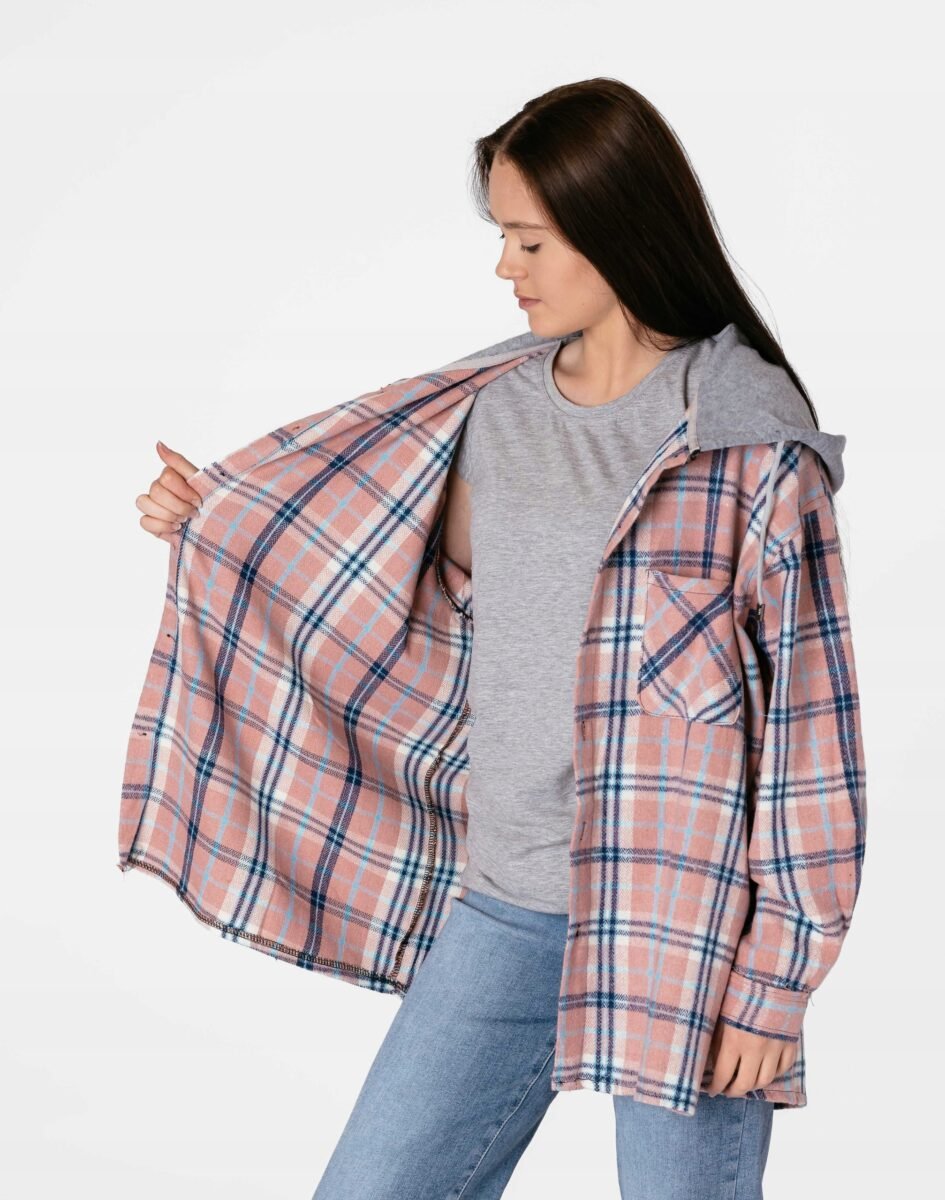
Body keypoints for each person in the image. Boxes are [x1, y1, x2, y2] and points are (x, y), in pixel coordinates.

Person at [129, 78, 867, 1199]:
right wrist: (219, 521)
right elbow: (393, 571)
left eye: (529, 240)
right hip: (508, 897)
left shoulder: (745, 444)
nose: (504, 268)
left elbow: (811, 735)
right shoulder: (496, 408)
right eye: (504, 238)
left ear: (615, 230)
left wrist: (776, 984)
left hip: (687, 923)